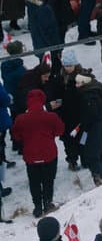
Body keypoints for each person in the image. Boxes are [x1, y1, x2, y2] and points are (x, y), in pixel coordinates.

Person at [11, 88, 64, 217]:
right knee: (48, 180)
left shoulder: (21, 119)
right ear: (43, 101)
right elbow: (60, 131)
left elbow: (16, 136)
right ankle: (47, 203)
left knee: (34, 182)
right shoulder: (51, 116)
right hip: (49, 154)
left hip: (31, 156)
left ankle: (37, 208)